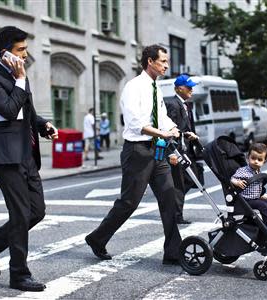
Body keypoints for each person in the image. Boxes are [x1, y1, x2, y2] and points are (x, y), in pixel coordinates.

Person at [0, 26, 58, 291]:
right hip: (6, 157)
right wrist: (21, 79)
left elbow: (27, 112)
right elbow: (10, 110)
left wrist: (43, 125)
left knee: (37, 211)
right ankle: (19, 275)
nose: (26, 55)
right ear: (6, 53)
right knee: (21, 214)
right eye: (21, 50)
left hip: (27, 153)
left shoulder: (20, 75)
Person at [85, 44, 182, 265]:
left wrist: (175, 129)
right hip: (137, 152)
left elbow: (161, 116)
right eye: (163, 61)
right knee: (129, 202)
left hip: (157, 151)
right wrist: (163, 132)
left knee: (169, 198)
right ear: (150, 61)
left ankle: (173, 252)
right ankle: (97, 238)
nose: (167, 65)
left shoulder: (156, 88)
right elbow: (136, 123)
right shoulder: (134, 87)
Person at [164, 74, 201, 224]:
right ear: (179, 89)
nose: (192, 89)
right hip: (176, 150)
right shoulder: (173, 104)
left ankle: (173, 203)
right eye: (189, 87)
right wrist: (172, 152)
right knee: (179, 182)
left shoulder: (186, 104)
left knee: (194, 178)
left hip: (186, 149)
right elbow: (171, 128)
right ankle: (176, 215)